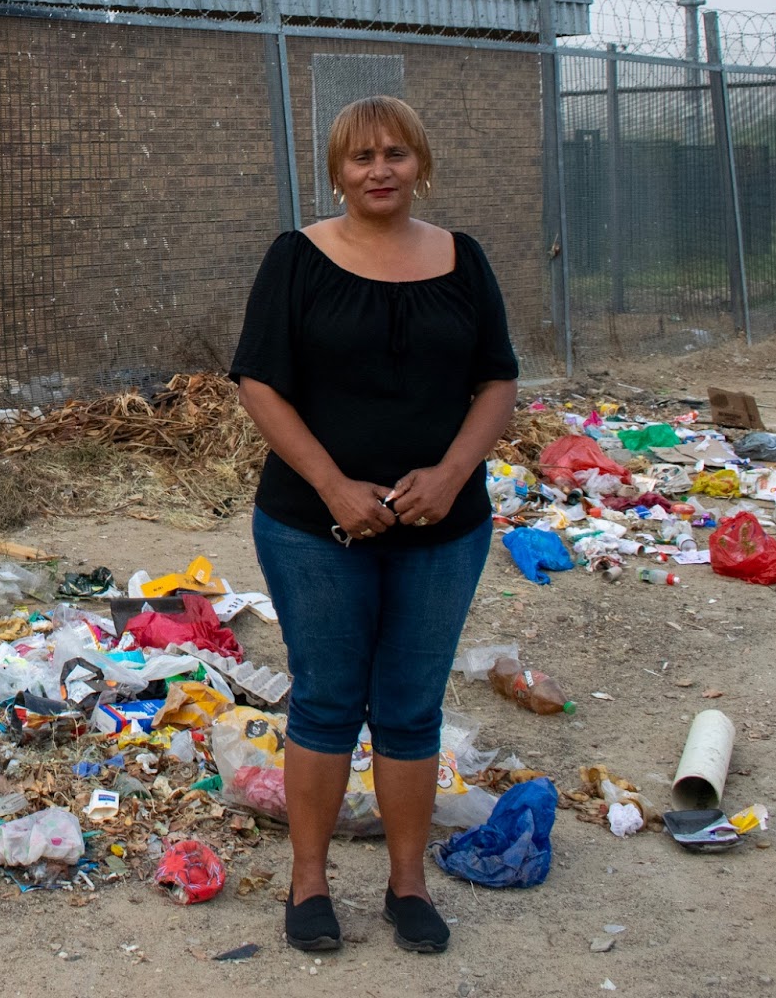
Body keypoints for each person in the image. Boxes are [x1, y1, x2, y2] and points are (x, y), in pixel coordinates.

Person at [229, 95, 518, 955]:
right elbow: (259, 382)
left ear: (420, 163)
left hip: (445, 525)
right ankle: (308, 884)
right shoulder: (297, 259)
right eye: (361, 158)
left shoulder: (464, 260)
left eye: (396, 153)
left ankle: (407, 887)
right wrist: (332, 486)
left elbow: (496, 381)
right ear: (338, 173)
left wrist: (454, 472)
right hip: (313, 526)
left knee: (409, 708)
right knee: (324, 698)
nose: (380, 169)